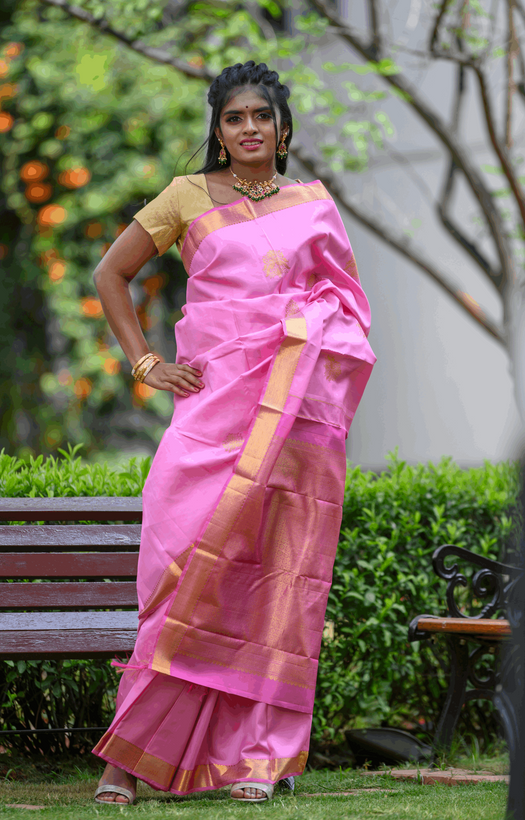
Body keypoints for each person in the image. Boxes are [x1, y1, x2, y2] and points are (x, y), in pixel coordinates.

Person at [91, 60, 376, 805]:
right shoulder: (186, 196)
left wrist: (307, 336)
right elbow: (108, 275)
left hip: (291, 420)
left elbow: (346, 308)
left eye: (261, 116)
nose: (248, 128)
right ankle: (129, 756)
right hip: (210, 409)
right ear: (216, 131)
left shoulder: (313, 203)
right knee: (179, 565)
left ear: (282, 130)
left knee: (276, 577)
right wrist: (145, 361)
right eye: (233, 117)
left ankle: (255, 756)